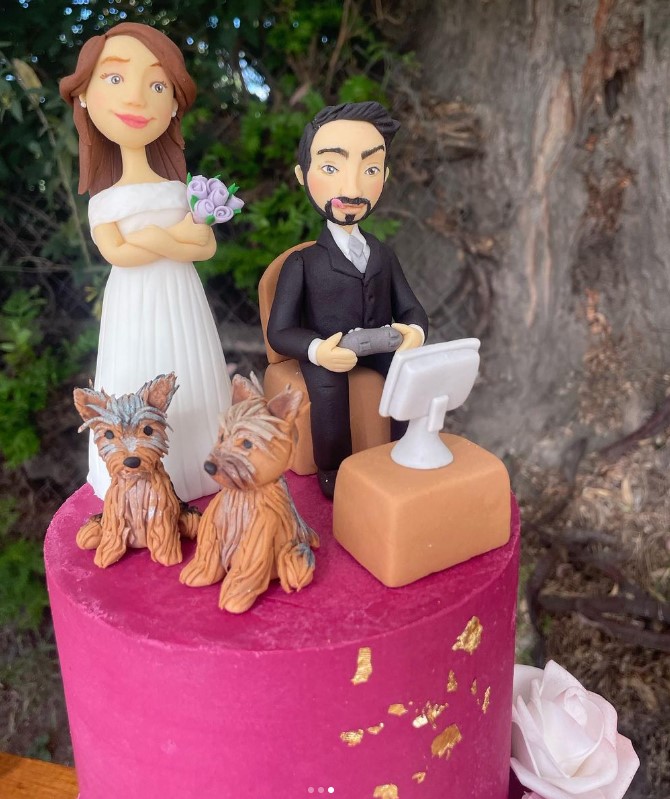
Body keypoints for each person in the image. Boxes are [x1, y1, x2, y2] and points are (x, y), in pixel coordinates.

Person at [60, 22, 231, 502]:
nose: (136, 98)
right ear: (85, 97)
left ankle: (203, 467)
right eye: (115, 79)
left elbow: (205, 247)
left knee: (193, 368)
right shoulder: (104, 201)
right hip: (133, 302)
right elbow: (118, 253)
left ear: (174, 104)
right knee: (137, 366)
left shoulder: (178, 190)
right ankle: (138, 474)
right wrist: (169, 237)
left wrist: (157, 238)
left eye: (157, 85)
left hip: (182, 296)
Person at [267, 102, 428, 497]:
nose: (353, 189)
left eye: (370, 170)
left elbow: (410, 305)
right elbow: (280, 331)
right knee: (328, 392)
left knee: (409, 372)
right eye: (331, 168)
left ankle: (405, 445)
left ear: (384, 177)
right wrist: (319, 350)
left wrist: (413, 332)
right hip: (330, 349)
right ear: (303, 176)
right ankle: (333, 468)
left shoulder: (383, 254)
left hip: (379, 343)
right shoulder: (302, 263)